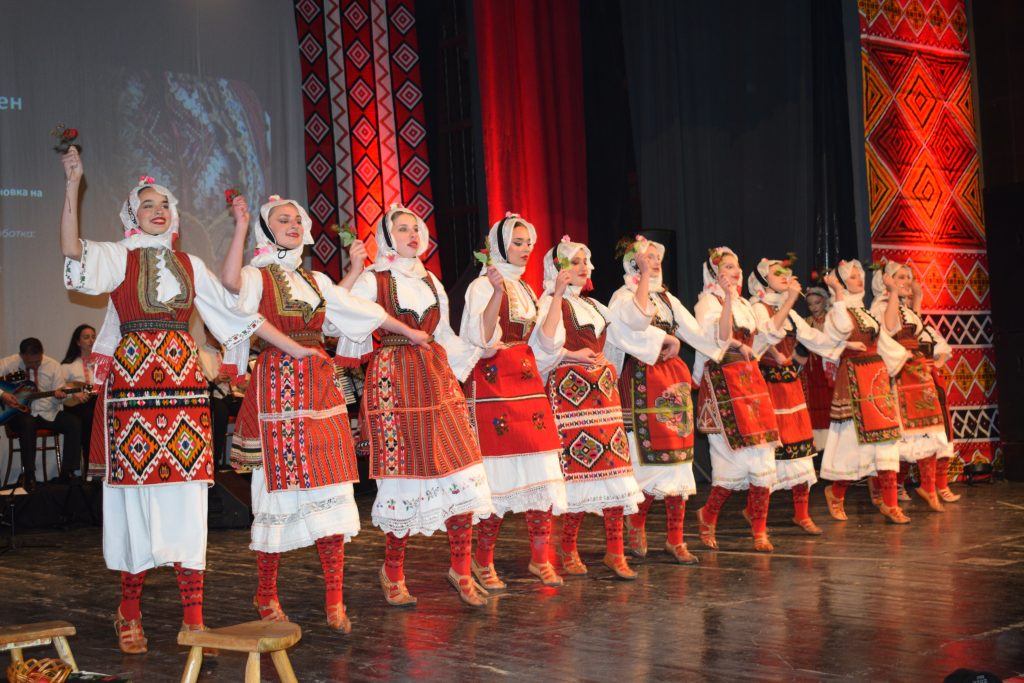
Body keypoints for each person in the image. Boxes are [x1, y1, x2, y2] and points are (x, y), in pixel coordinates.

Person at [58, 148, 318, 654]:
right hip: (134, 393)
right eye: (147, 204)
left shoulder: (190, 264)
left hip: (183, 392)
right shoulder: (118, 256)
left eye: (164, 204)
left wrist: (294, 348)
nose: (158, 210)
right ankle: (129, 611)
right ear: (132, 214)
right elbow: (72, 250)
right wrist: (73, 184)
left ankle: (194, 619)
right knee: (135, 500)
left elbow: (237, 317)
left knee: (187, 500)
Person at [220, 194, 428, 632]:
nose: (293, 225)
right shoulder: (258, 274)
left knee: (333, 486)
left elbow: (350, 309)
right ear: (266, 229)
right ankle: (266, 594)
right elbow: (232, 287)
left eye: (298, 219)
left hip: (320, 386)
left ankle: (335, 599)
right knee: (276, 491)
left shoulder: (314, 279)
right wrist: (239, 225)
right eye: (283, 220)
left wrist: (405, 326)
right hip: (278, 386)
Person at [350, 205, 496, 608]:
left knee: (462, 469)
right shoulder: (374, 279)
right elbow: (348, 315)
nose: (413, 234)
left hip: (435, 377)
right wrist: (401, 329)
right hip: (393, 381)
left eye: (416, 228)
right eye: (403, 229)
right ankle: (393, 571)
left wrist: (477, 350)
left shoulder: (431, 280)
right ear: (387, 237)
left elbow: (444, 334)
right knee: (403, 478)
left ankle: (461, 569)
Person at [459, 214, 568, 589]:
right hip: (494, 385)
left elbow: (544, 343)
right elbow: (482, 339)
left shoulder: (526, 289)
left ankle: (540, 558)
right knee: (499, 475)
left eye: (528, 244)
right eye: (517, 242)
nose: (525, 249)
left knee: (540, 470)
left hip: (527, 382)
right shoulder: (481, 286)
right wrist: (496, 294)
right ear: (500, 245)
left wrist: (557, 296)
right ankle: (482, 560)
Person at [606, 236, 727, 564]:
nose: (656, 261)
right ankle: (637, 523)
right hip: (641, 383)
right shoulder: (622, 297)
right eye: (647, 258)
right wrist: (664, 337)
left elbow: (699, 334)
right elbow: (633, 325)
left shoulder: (667, 299)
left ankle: (675, 538)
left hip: (672, 383)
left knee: (678, 464)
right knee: (646, 462)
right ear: (633, 263)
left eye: (657, 257)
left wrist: (721, 332)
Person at [532, 236, 646, 579]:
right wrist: (572, 354)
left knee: (614, 469)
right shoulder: (548, 303)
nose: (584, 267)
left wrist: (609, 370)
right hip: (570, 395)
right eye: (576, 262)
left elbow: (623, 339)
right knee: (578, 470)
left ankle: (615, 551)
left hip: (603, 395)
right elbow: (542, 346)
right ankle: (567, 547)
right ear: (558, 267)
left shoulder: (595, 306)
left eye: (586, 261)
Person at [747, 257, 850, 535]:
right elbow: (768, 334)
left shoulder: (789, 311)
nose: (784, 275)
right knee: (767, 456)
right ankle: (756, 518)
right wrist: (792, 298)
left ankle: (802, 514)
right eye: (776, 272)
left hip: (790, 386)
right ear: (762, 279)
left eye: (786, 271)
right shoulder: (756, 307)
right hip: (765, 387)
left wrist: (839, 302)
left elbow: (816, 339)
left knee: (801, 449)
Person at [693, 247, 782, 552]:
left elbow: (761, 340)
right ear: (714, 273)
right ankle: (708, 516)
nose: (735, 272)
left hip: (750, 381)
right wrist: (728, 299)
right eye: (728, 267)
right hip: (723, 381)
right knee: (732, 459)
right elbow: (719, 339)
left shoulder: (746, 305)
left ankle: (759, 529)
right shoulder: (708, 302)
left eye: (737, 267)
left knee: (763, 454)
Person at [818, 259, 910, 524]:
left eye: (860, 276)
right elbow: (839, 332)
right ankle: (836, 493)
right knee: (852, 443)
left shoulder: (866, 312)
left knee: (887, 439)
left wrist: (899, 356)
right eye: (853, 277)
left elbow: (884, 337)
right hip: (853, 379)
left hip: (875, 377)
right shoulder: (837, 311)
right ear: (842, 281)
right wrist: (838, 294)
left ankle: (890, 504)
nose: (860, 280)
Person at [870, 260, 951, 513]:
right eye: (901, 277)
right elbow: (891, 328)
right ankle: (887, 494)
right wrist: (894, 293)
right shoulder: (880, 305)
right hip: (899, 373)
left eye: (908, 277)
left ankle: (928, 487)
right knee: (900, 436)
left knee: (929, 427)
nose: (907, 281)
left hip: (917, 371)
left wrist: (917, 299)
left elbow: (915, 330)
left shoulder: (905, 308)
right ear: (887, 281)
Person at [0, 338, 81, 489]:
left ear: (42, 354)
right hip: (18, 414)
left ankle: (68, 472)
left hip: (47, 412)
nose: (34, 365)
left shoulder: (53, 365)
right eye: (29, 363)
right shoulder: (10, 362)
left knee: (74, 423)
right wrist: (3, 394)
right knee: (27, 423)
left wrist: (60, 396)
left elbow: (61, 394)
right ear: (22, 356)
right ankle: (29, 475)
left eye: (38, 361)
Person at [196, 325, 245, 469]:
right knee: (220, 412)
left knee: (249, 407)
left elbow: (239, 378)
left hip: (230, 395)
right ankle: (215, 463)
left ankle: (246, 457)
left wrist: (241, 381)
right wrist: (217, 380)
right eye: (215, 333)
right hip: (213, 396)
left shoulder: (227, 352)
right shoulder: (199, 353)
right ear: (207, 332)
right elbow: (201, 383)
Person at [795, 282, 834, 451]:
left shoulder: (833, 320)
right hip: (812, 370)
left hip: (830, 368)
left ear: (825, 301)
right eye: (810, 304)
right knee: (814, 405)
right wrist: (795, 355)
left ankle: (833, 446)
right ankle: (817, 448)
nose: (814, 307)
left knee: (830, 404)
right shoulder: (805, 323)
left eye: (817, 303)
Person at [60, 325, 99, 478]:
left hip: (96, 404)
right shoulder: (68, 366)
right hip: (77, 406)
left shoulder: (101, 363)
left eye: (93, 337)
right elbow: (59, 387)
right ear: (77, 342)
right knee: (90, 419)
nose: (91, 340)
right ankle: (90, 470)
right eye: (86, 337)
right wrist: (74, 393)